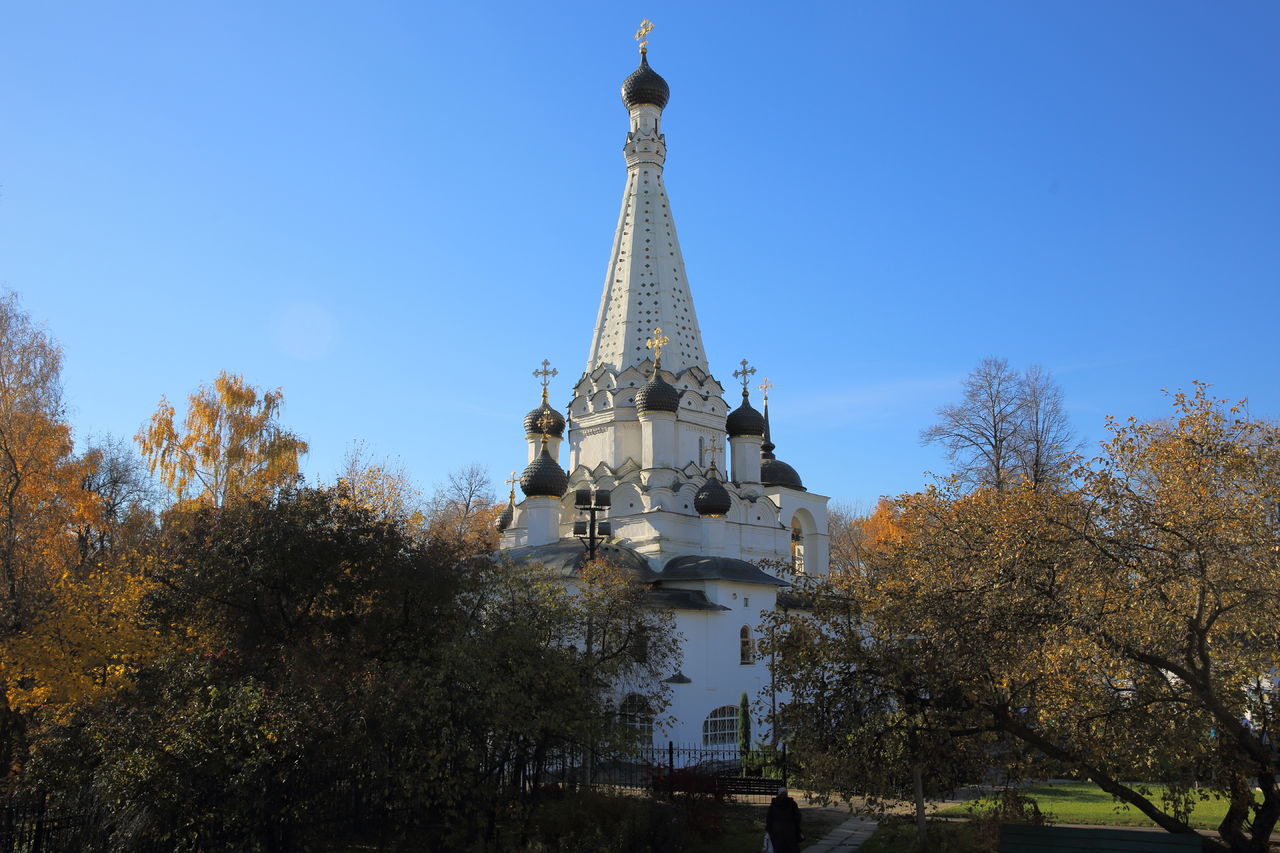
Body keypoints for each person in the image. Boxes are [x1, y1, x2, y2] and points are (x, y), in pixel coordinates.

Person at [765, 785, 803, 853]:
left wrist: (769, 829)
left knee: (778, 848)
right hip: (790, 830)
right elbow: (798, 817)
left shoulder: (773, 805)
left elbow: (769, 819)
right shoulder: (792, 804)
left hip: (776, 831)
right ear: (787, 794)